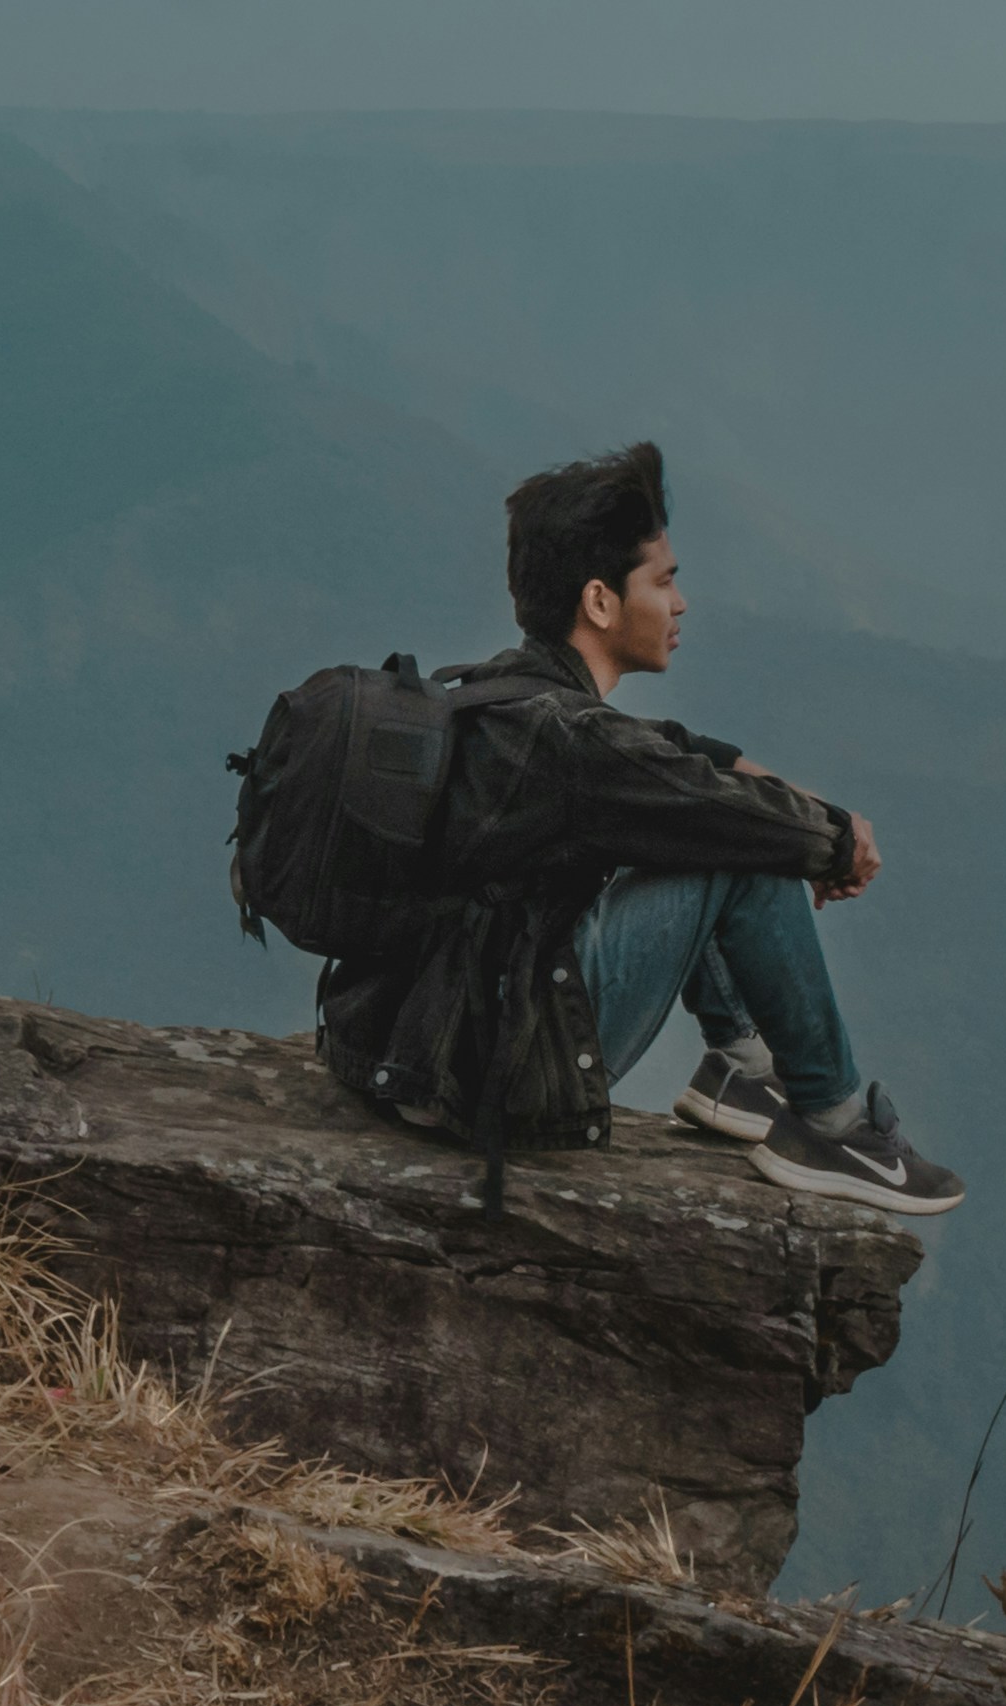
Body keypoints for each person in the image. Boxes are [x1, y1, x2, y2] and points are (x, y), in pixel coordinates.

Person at [312, 441, 966, 1216]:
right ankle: (835, 1124)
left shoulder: (507, 694)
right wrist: (833, 844)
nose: (680, 603)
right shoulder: (574, 744)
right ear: (599, 602)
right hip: (495, 1080)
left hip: (412, 1055)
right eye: (664, 581)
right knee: (737, 847)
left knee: (713, 818)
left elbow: (674, 756)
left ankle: (739, 1073)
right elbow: (694, 798)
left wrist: (827, 821)